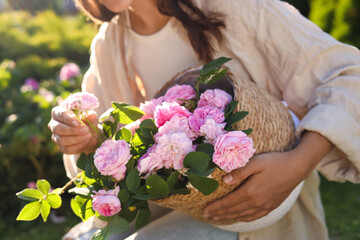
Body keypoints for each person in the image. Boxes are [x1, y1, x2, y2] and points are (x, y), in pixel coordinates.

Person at [48, 0, 360, 239]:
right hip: (168, 201)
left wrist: (298, 164)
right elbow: (108, 152)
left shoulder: (236, 7)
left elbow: (349, 75)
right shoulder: (110, 43)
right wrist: (87, 140)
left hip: (256, 204)